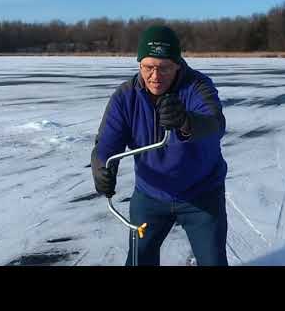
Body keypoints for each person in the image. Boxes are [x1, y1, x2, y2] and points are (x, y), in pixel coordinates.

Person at [91, 25, 228, 266]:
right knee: (138, 261)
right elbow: (106, 145)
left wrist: (186, 121)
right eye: (148, 67)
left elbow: (215, 124)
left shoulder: (197, 86)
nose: (155, 76)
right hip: (150, 197)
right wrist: (101, 167)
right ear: (139, 65)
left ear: (177, 64)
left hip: (201, 196)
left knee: (213, 261)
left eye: (164, 67)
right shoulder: (126, 97)